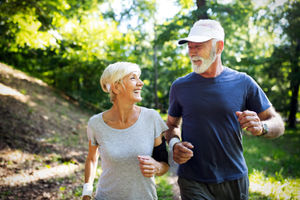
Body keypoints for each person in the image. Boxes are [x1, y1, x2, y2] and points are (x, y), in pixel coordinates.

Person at [165, 19, 285, 200]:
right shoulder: (179, 86)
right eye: (189, 46)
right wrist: (174, 144)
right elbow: (171, 126)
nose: (192, 52)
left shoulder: (243, 82)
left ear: (219, 47)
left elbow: (277, 123)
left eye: (198, 46)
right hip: (192, 180)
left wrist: (262, 127)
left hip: (234, 179)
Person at [82, 62, 169, 200]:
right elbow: (92, 159)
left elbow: (164, 164)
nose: (141, 83)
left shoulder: (152, 118)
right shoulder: (96, 123)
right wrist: (86, 192)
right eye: (133, 78)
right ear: (116, 87)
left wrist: (157, 167)